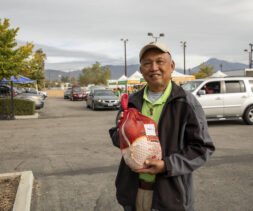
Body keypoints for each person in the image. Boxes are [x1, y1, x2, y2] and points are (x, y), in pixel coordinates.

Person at [109, 42, 215, 211]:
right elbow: (117, 139)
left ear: (171, 66)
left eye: (160, 61)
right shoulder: (131, 102)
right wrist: (122, 131)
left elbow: (202, 148)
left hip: (170, 198)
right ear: (141, 69)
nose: (154, 67)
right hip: (134, 193)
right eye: (147, 63)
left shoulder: (186, 103)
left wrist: (167, 165)